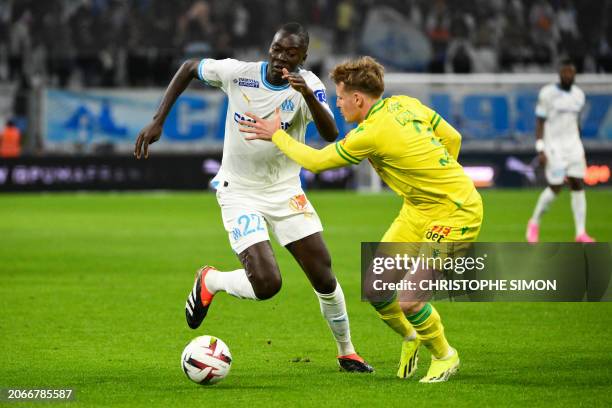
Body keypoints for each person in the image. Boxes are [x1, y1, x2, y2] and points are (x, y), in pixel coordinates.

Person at [133, 23, 372, 373]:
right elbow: (188, 68)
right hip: (239, 192)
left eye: (290, 53)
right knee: (267, 284)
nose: (280, 57)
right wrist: (158, 121)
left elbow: (331, 133)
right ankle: (211, 280)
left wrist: (306, 94)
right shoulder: (239, 73)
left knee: (323, 274)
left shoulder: (310, 87)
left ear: (303, 57)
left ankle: (346, 351)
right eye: (276, 49)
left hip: (286, 192)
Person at [240, 56, 483, 383]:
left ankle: (444, 355)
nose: (337, 104)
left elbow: (315, 161)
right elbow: (453, 138)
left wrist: (277, 135)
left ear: (358, 99)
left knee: (409, 299)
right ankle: (412, 337)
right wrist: (434, 179)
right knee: (377, 288)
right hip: (418, 209)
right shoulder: (405, 104)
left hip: (456, 212)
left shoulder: (368, 134)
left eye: (340, 97)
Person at [526, 59, 595, 243]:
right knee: (555, 187)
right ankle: (534, 222)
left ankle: (580, 233)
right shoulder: (547, 94)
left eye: (571, 72)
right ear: (559, 73)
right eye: (564, 72)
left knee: (578, 184)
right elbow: (539, 122)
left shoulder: (579, 95)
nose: (567, 75)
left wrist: (579, 145)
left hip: (573, 146)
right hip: (553, 147)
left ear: (575, 73)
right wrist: (540, 148)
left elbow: (575, 122)